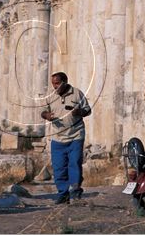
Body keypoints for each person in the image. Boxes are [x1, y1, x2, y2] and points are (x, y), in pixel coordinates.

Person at [41, 72, 91, 204]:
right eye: (53, 83)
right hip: (57, 137)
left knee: (74, 164)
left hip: (75, 135)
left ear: (65, 82)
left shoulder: (77, 93)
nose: (55, 86)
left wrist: (79, 112)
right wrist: (47, 115)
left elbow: (87, 110)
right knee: (59, 168)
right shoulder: (50, 96)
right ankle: (63, 194)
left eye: (57, 83)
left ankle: (75, 193)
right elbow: (43, 111)